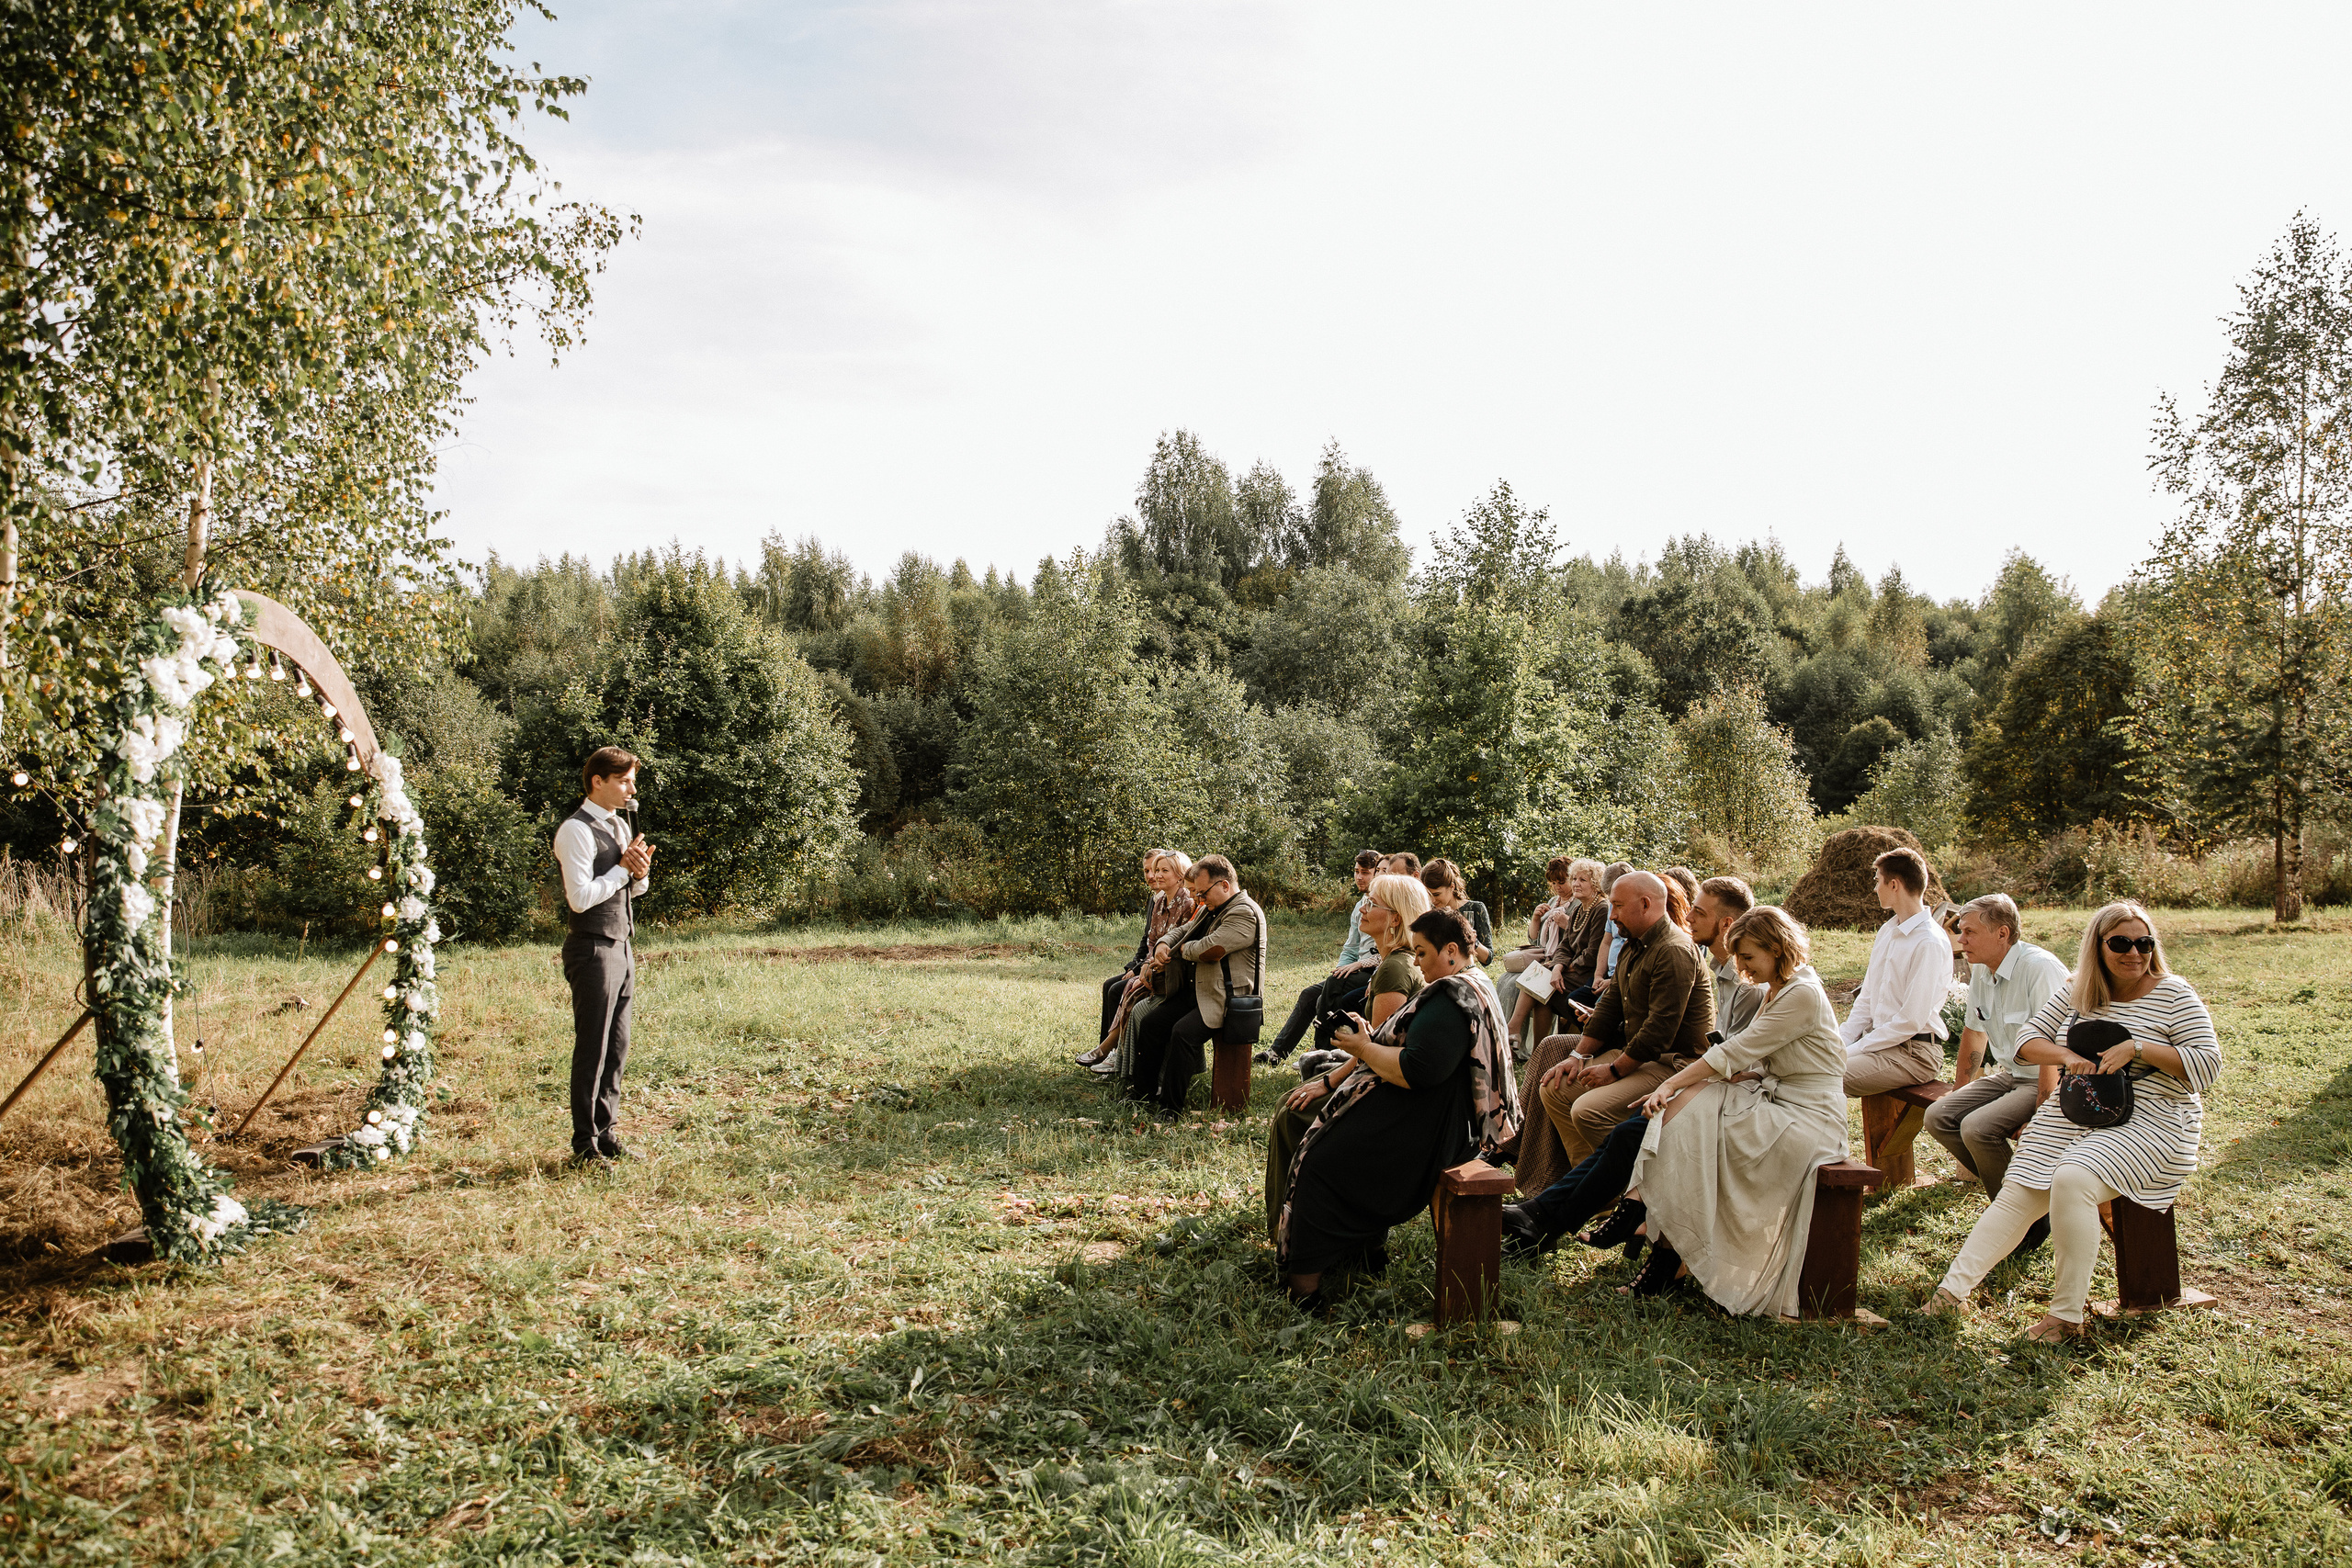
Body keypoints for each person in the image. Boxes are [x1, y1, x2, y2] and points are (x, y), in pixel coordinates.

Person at [1924, 901, 2222, 1341]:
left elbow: (2208, 1066)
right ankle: (1952, 1292)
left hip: (2156, 1119)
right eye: (2120, 942)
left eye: (2144, 942)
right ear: (2097, 947)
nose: (2134, 952)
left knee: (2072, 1178)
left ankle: (2066, 1316)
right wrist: (2066, 1055)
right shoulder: (2078, 991)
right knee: (2018, 1191)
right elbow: (2028, 1039)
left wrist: (2138, 1048)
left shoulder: (2174, 993)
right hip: (2079, 1109)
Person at [1272, 909, 1520, 1308]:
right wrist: (1370, 1043)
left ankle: (1305, 1289)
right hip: (1433, 1111)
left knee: (1321, 1163)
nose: (1417, 963)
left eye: (1421, 953)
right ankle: (1349, 1252)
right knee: (1327, 1149)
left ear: (1451, 950)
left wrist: (1364, 1047)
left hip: (1433, 1125)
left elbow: (1417, 1072)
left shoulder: (1453, 996)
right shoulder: (1469, 984)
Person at [1607, 906, 1852, 1308]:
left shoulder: (1803, 993)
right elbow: (1761, 1057)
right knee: (1693, 1107)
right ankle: (1656, 1231)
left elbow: (1740, 1049)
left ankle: (1650, 1223)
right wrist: (1744, 1075)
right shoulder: (1779, 988)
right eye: (1738, 958)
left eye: (1749, 957)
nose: (1742, 967)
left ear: (1777, 948)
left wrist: (1669, 1082)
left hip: (1810, 1117)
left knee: (1691, 1107)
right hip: (1778, 1098)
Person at [1262, 874, 1430, 1234]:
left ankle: (1289, 1227)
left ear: (1395, 918)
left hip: (1391, 1095)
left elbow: (1378, 1054)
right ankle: (1295, 1216)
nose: (1362, 909)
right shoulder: (1394, 962)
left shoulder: (1394, 969)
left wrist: (1328, 1082)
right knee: (1290, 1102)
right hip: (1388, 1079)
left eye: (1372, 904)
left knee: (1292, 1113)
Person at [1527, 871, 1711, 1170]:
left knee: (1588, 1110)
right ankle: (1592, 1191)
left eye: (1618, 906)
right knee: (1556, 1090)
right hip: (1640, 1054)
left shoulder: (1674, 950)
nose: (1612, 916)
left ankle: (1630, 1189)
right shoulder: (1634, 944)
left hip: (1674, 1062)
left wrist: (1613, 1071)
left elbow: (1659, 1031)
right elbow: (1609, 1008)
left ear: (1646, 904)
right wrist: (1578, 1055)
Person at [1923, 895, 2070, 1210]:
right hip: (2012, 1075)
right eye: (1961, 931)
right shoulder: (1983, 969)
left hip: (2052, 1079)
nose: (1960, 940)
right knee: (1940, 1115)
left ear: (2002, 933)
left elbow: (2055, 1051)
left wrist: (2044, 1116)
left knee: (1976, 1128)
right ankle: (2014, 1198)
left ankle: (2020, 1215)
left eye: (1970, 932)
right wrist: (1959, 1092)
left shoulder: (2039, 969)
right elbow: (1975, 1035)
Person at [556, 746, 654, 1163]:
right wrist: (619, 872)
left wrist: (640, 875)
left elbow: (631, 889)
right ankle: (584, 1145)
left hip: (622, 943)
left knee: (617, 1045)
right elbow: (580, 899)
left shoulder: (618, 824)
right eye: (625, 780)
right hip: (592, 947)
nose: (632, 788)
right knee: (593, 1046)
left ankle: (607, 1133)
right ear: (599, 781)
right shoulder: (575, 830)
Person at [1130, 856, 1264, 1117]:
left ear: (1225, 885)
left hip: (1229, 1000)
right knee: (1151, 1024)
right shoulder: (1211, 908)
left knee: (1182, 1033)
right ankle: (1142, 1095)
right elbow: (1184, 930)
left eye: (1203, 893)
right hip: (1202, 992)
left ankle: (1171, 1108)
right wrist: (1163, 945)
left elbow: (1210, 950)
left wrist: (1175, 951)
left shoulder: (1244, 912)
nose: (1199, 899)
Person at [1839, 848, 1953, 1098]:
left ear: (1894, 885)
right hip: (1882, 1045)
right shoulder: (1887, 931)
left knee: (1824, 1078)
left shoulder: (1929, 942)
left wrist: (1854, 1049)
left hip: (1915, 1053)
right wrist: (1840, 1042)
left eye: (1877, 881)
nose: (1875, 889)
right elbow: (1867, 998)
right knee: (1809, 1068)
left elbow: (1910, 1021)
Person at [1260, 850, 1385, 1066]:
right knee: (1310, 994)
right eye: (1356, 872)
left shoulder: (1386, 906)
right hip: (1356, 969)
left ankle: (1321, 1051)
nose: (1359, 877)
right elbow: (1350, 948)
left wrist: (1349, 972)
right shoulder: (1359, 906)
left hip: (1376, 971)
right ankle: (1276, 1052)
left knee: (1333, 989)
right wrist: (1341, 970)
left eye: (1365, 872)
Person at [1084, 851, 1198, 1076]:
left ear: (1179, 875)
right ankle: (1112, 1052)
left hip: (1171, 971)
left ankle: (1112, 1051)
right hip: (1153, 966)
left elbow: (1180, 944)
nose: (1157, 875)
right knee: (1121, 986)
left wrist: (1148, 966)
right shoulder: (1159, 901)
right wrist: (1143, 965)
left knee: (1126, 989)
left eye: (1164, 870)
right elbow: (1152, 941)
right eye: (1156, 870)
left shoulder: (1187, 902)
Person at [1690, 875, 1765, 1038]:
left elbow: (1736, 1058)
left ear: (1726, 924)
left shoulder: (1747, 983)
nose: (1688, 918)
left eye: (1699, 913)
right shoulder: (1722, 965)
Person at [1419, 860, 1493, 964]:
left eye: (1436, 895)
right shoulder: (1428, 913)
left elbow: (1488, 959)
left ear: (1452, 887)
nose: (1432, 901)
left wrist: (1473, 942)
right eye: (1428, 895)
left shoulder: (1475, 909)